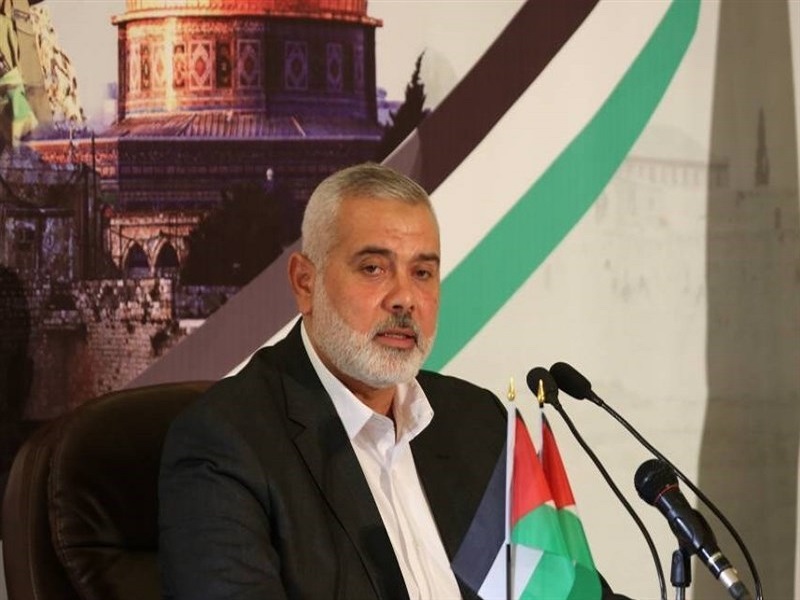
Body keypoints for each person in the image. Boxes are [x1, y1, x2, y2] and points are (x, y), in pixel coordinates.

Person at [159, 163, 627, 599]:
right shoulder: (226, 444)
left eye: (422, 272)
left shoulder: (479, 423)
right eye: (373, 268)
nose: (405, 297)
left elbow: (563, 590)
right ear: (305, 283)